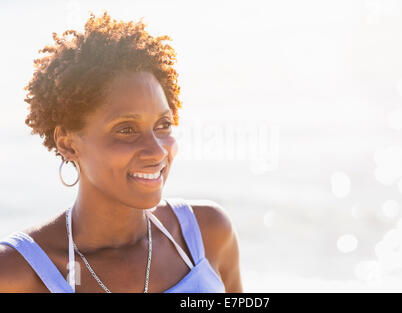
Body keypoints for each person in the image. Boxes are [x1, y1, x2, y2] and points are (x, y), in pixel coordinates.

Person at [0, 11, 242, 293]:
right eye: (126, 129)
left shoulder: (207, 234)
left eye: (163, 125)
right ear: (67, 143)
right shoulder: (16, 274)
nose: (156, 151)